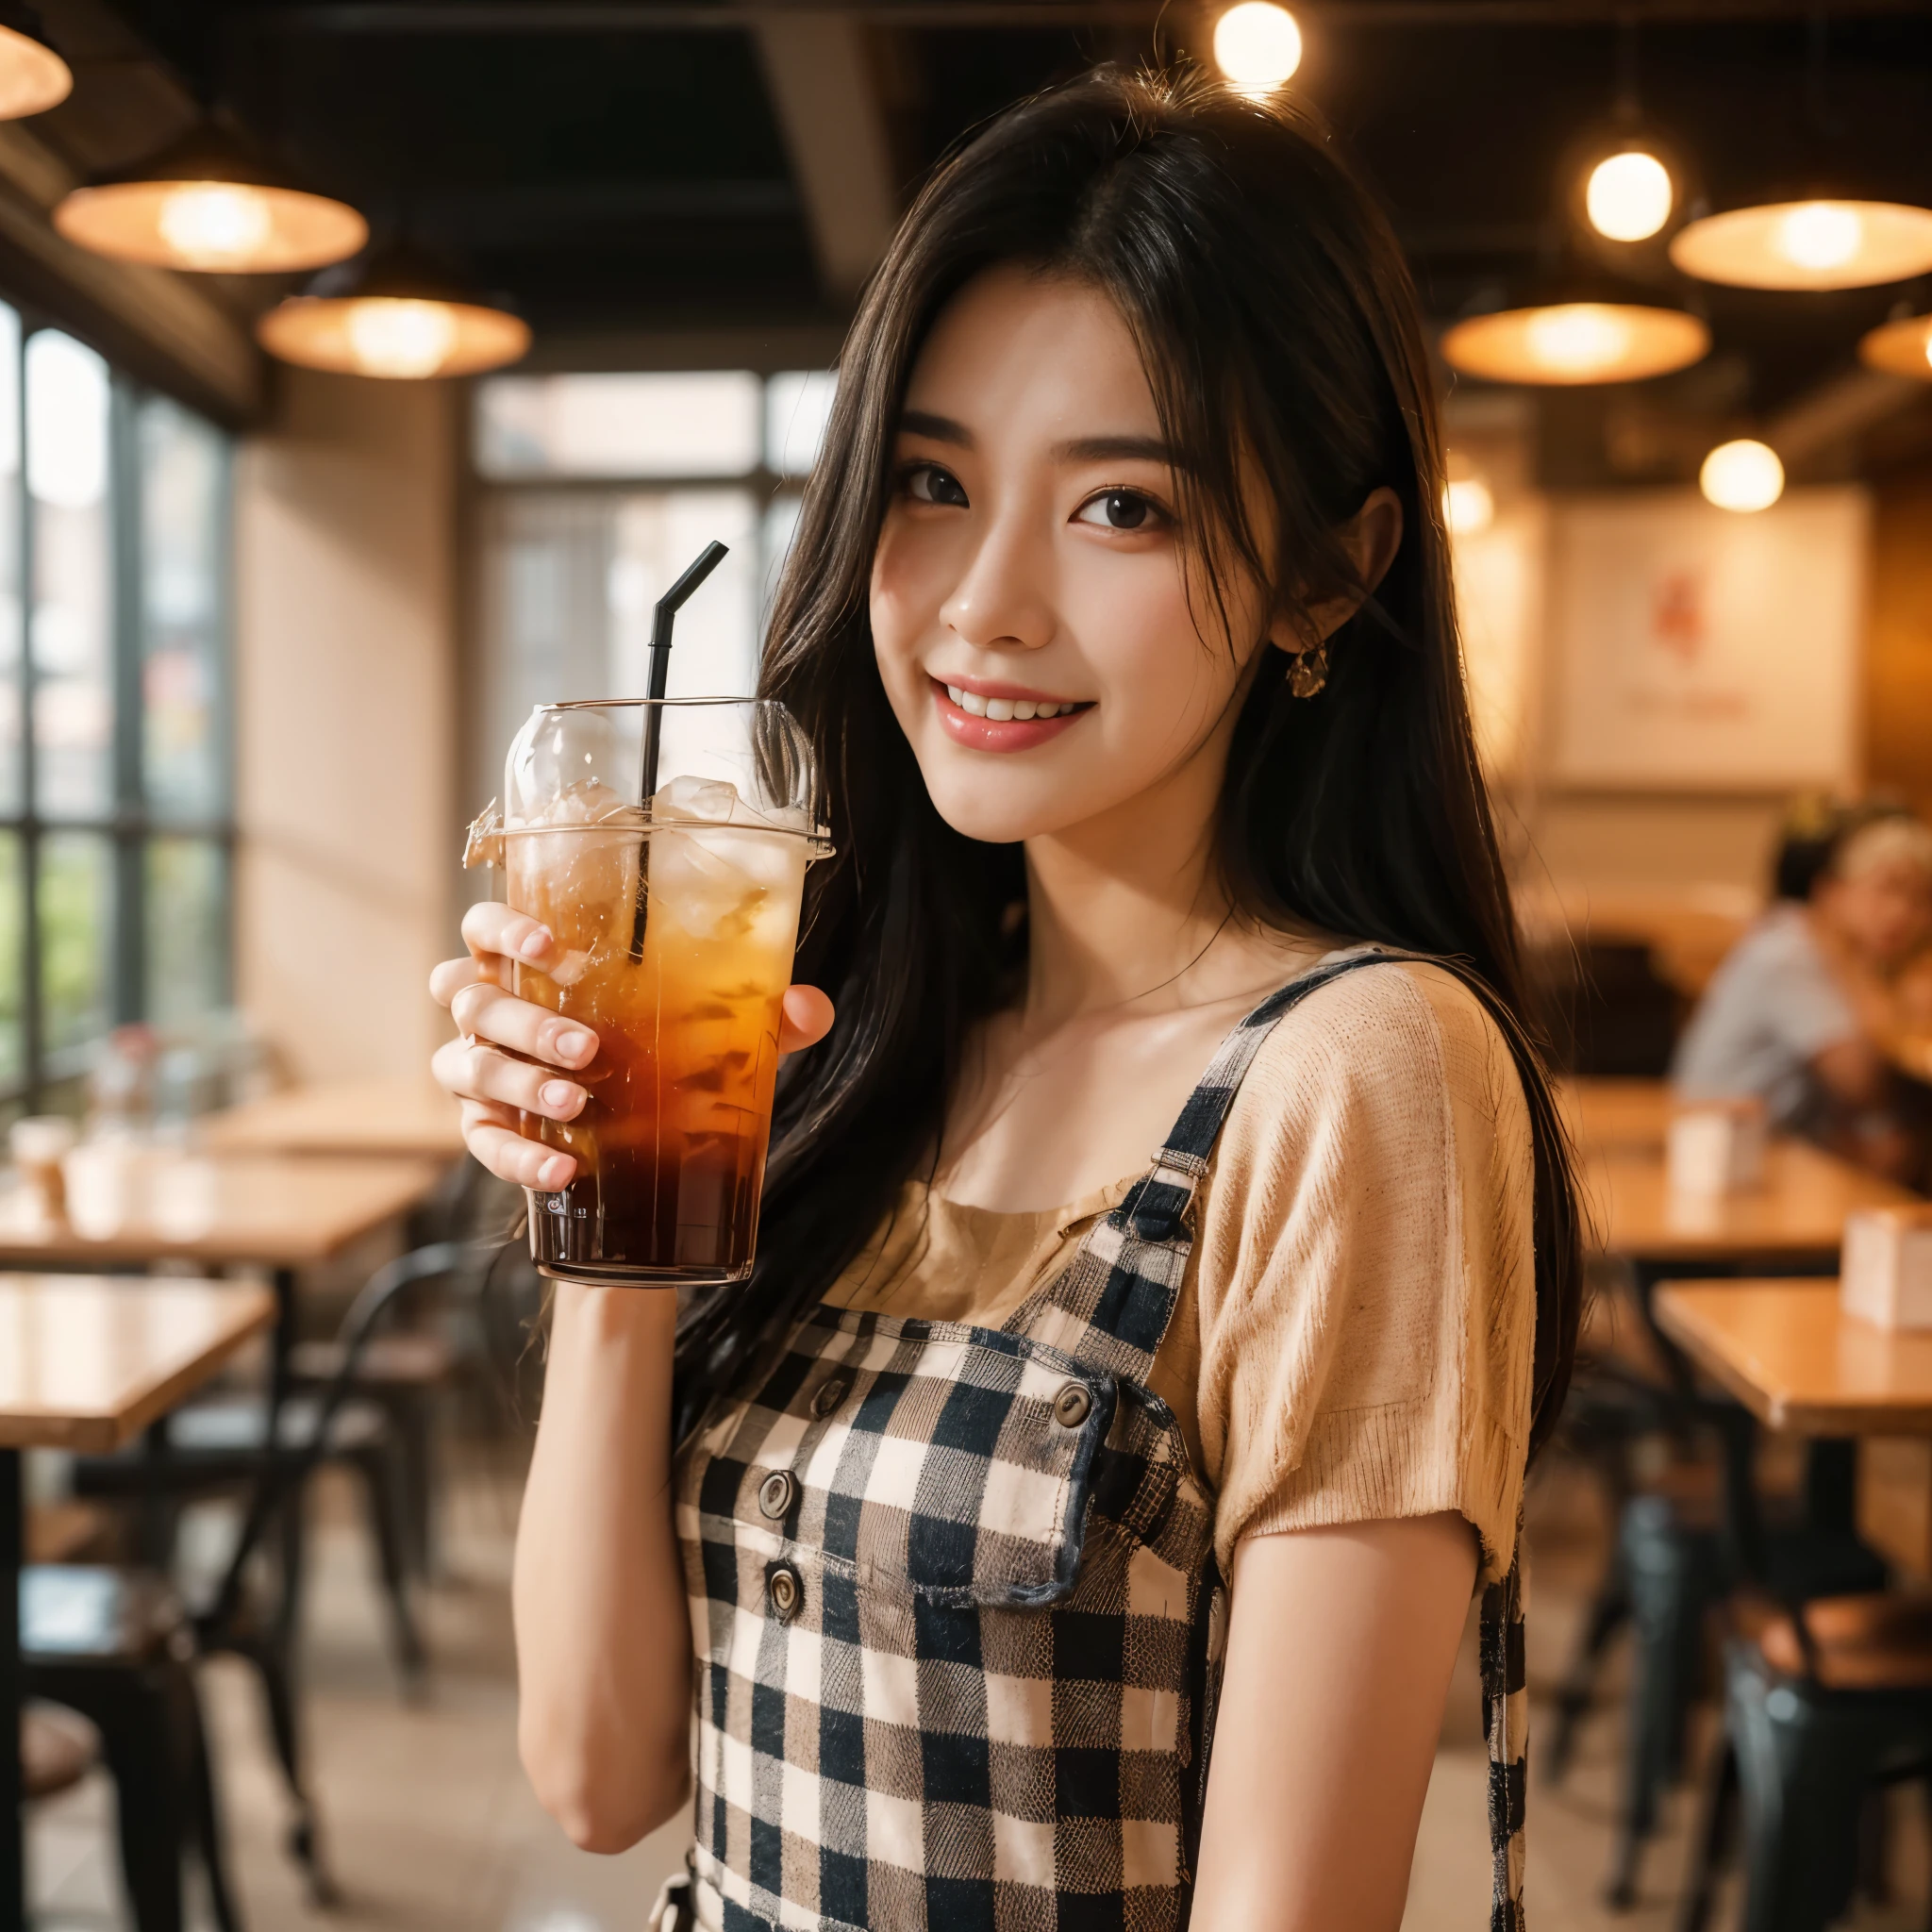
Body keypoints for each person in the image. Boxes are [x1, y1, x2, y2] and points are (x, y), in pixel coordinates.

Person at [430, 70, 1581, 1932]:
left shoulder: (1357, 1073)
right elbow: (600, 1773)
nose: (981, 604)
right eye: (931, 483)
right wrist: (612, 1229)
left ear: (1324, 575)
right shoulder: (858, 1040)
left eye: (1120, 505)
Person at [1674, 812, 1932, 1181]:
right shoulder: (1789, 952)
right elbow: (1863, 1083)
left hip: (1770, 1137)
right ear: (1833, 891)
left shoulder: (1831, 947)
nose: (1901, 912)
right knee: (1900, 1147)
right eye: (1886, 888)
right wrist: (1857, 972)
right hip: (1720, 1153)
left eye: (1921, 898)